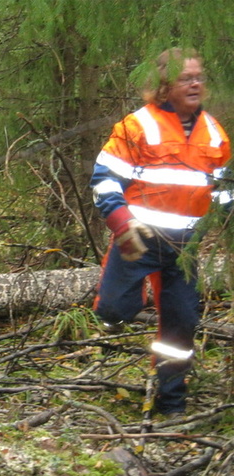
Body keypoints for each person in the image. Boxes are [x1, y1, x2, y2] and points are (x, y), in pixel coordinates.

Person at [90, 48, 231, 417]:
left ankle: (171, 402)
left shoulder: (214, 132)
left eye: (199, 77)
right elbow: (104, 179)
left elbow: (222, 189)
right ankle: (118, 305)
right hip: (138, 240)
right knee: (114, 309)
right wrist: (121, 222)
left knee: (182, 322)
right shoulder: (137, 126)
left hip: (184, 248)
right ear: (165, 85)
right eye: (186, 79)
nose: (195, 84)